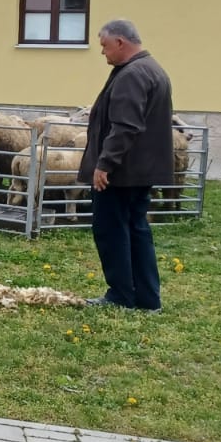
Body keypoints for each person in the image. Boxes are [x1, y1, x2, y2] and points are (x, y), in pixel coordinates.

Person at [78, 19, 174, 312]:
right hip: (139, 170)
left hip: (122, 173)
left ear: (120, 42)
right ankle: (146, 298)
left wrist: (104, 164)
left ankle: (121, 294)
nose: (102, 52)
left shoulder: (132, 74)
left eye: (105, 46)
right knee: (136, 229)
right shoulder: (151, 69)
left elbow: (125, 126)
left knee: (112, 230)